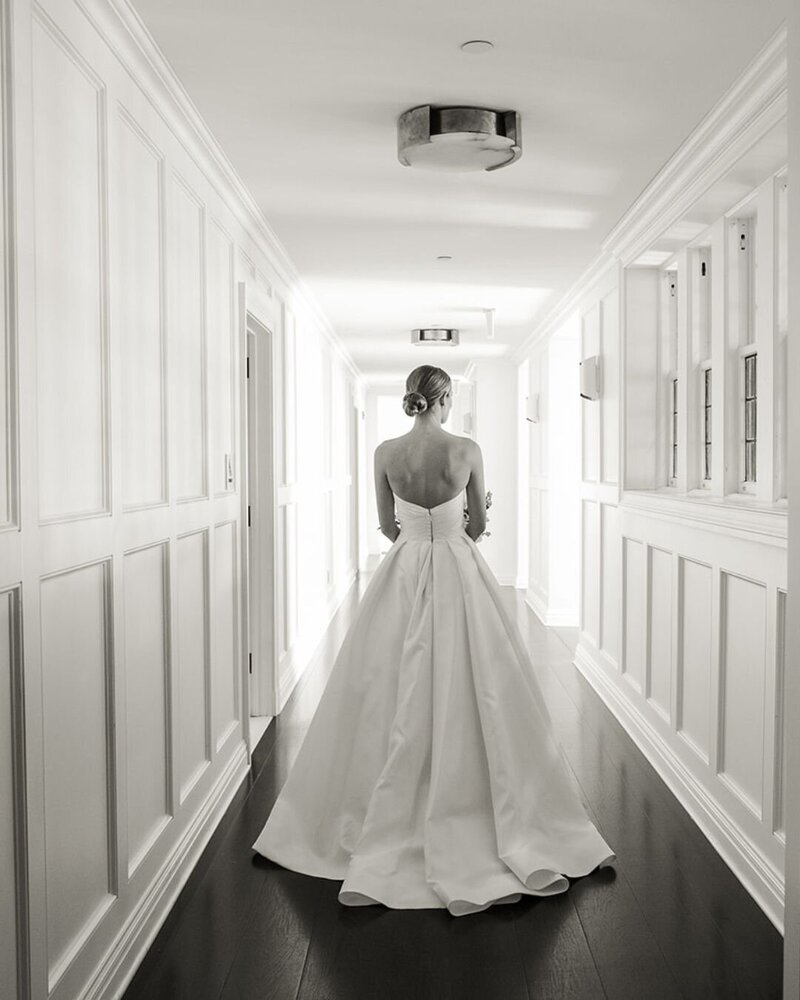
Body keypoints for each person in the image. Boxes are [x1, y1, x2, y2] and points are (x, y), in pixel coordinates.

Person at [252, 364, 615, 916]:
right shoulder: (466, 449)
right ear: (444, 398)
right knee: (482, 683)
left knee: (382, 682)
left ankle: (365, 816)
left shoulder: (385, 453)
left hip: (404, 567)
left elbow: (387, 527)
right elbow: (474, 528)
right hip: (457, 568)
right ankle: (482, 809)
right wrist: (456, 528)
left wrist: (417, 536)